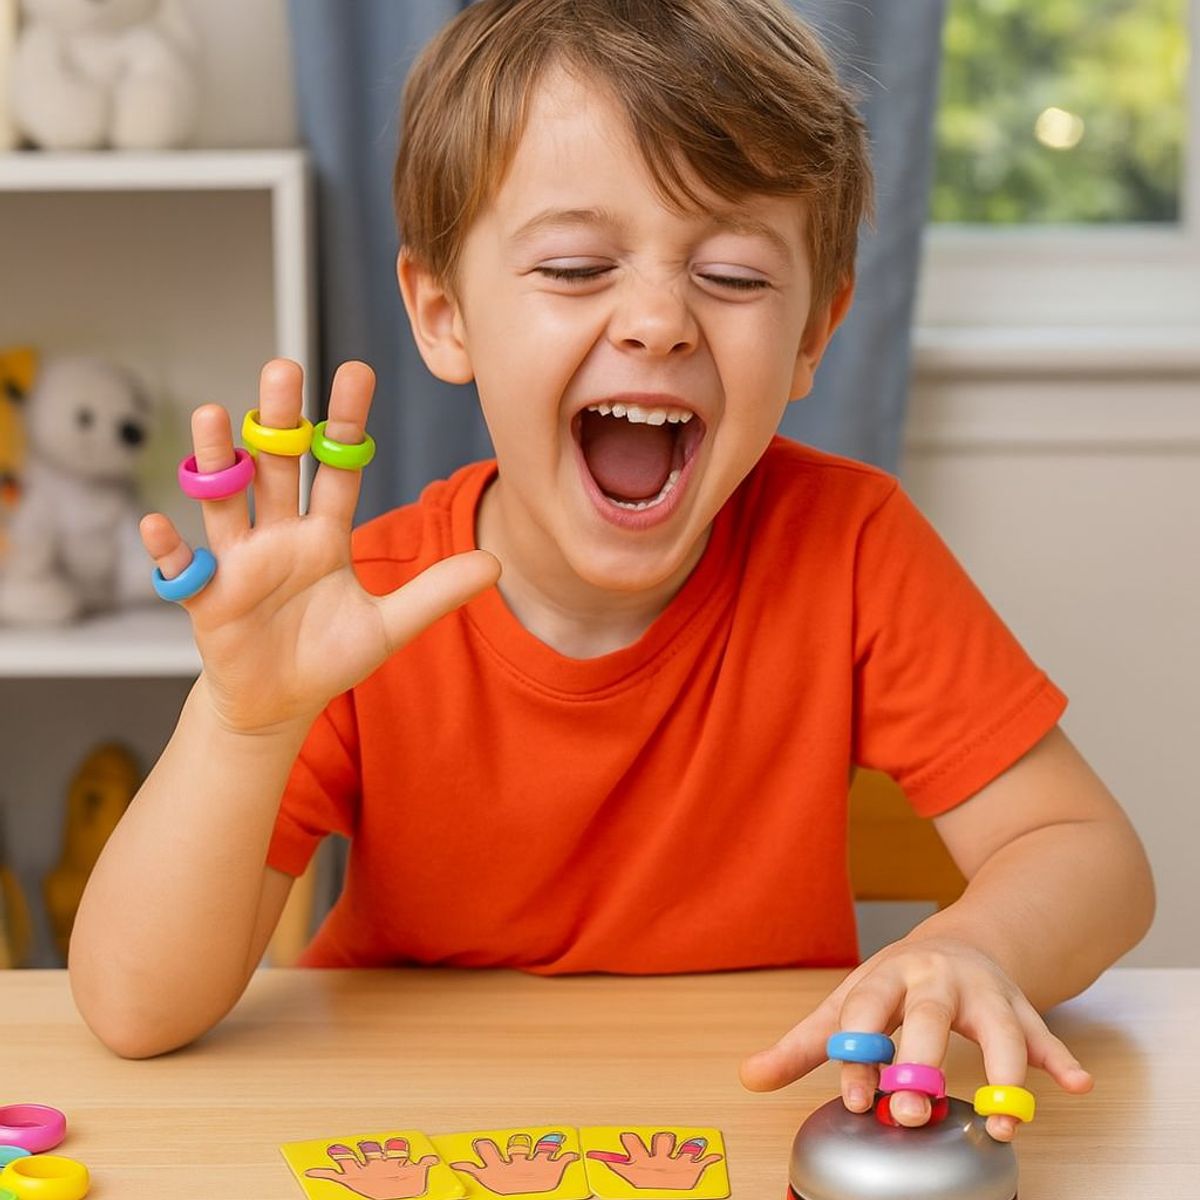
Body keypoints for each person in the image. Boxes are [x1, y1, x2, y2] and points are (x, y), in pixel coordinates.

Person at [70, 0, 1154, 1145]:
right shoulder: (360, 614)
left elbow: (1092, 861)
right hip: (411, 1133)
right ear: (444, 314)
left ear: (812, 334)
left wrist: (968, 947)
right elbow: (134, 1009)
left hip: (738, 1128)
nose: (657, 321)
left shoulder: (851, 546)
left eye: (734, 275)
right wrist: (242, 725)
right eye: (579, 266)